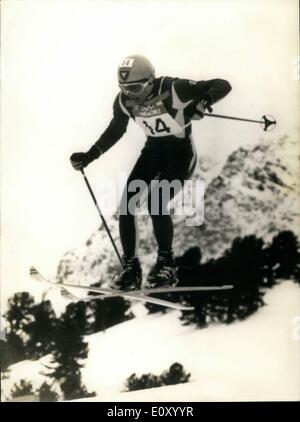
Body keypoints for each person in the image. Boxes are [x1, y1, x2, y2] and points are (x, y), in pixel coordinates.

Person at [70, 54, 231, 291]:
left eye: (135, 87)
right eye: (124, 88)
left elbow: (222, 84)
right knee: (126, 205)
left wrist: (203, 101)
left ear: (150, 80)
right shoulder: (124, 101)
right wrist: (90, 155)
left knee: (156, 202)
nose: (130, 94)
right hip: (153, 153)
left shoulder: (173, 88)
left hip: (180, 155)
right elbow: (116, 129)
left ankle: (167, 264)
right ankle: (131, 269)